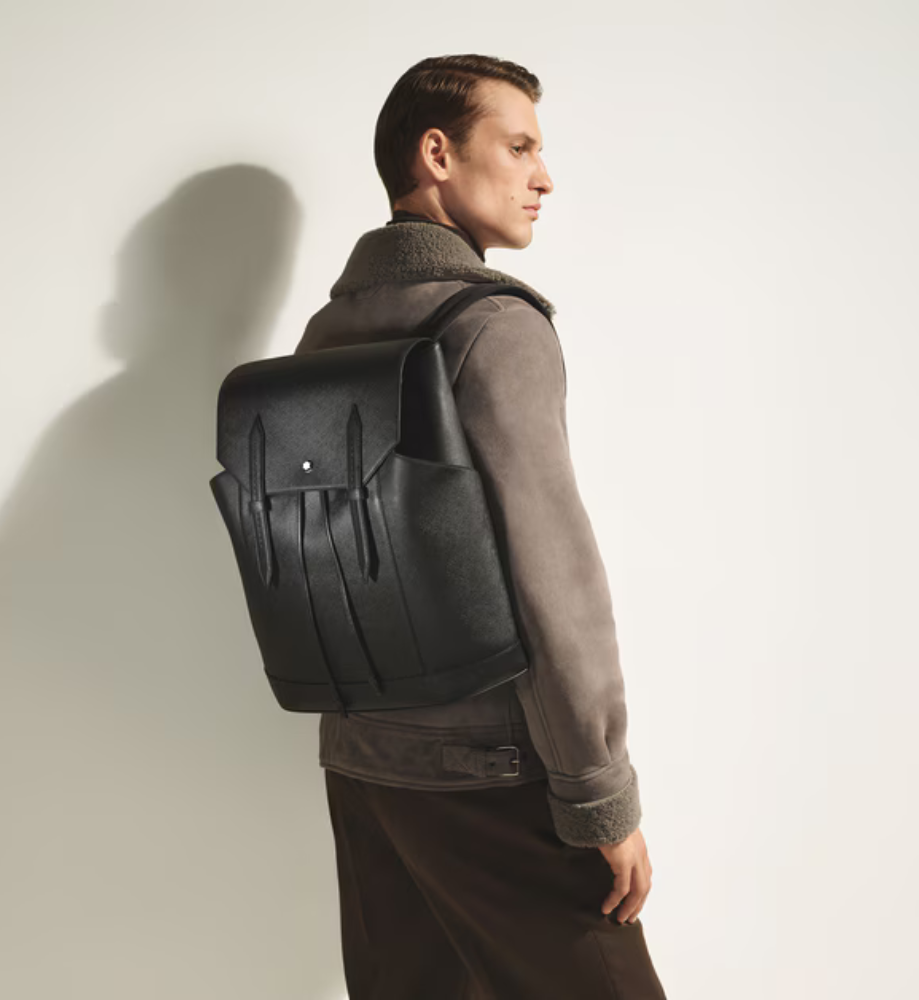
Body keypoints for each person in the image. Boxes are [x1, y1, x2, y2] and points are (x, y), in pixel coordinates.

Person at [295, 53, 667, 999]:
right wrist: (599, 793)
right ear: (438, 154)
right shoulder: (495, 328)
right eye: (520, 147)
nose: (545, 177)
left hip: (364, 761)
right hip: (490, 770)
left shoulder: (326, 333)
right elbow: (554, 579)